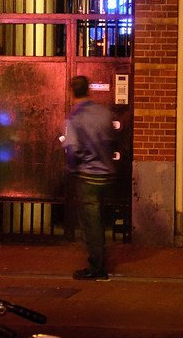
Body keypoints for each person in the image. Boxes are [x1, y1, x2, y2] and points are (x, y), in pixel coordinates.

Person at [61, 75, 117, 281]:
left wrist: (72, 168)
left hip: (89, 176)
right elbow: (113, 140)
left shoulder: (73, 118)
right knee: (100, 219)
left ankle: (97, 268)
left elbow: (72, 148)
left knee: (91, 222)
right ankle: (100, 260)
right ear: (88, 90)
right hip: (107, 174)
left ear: (71, 92)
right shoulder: (104, 112)